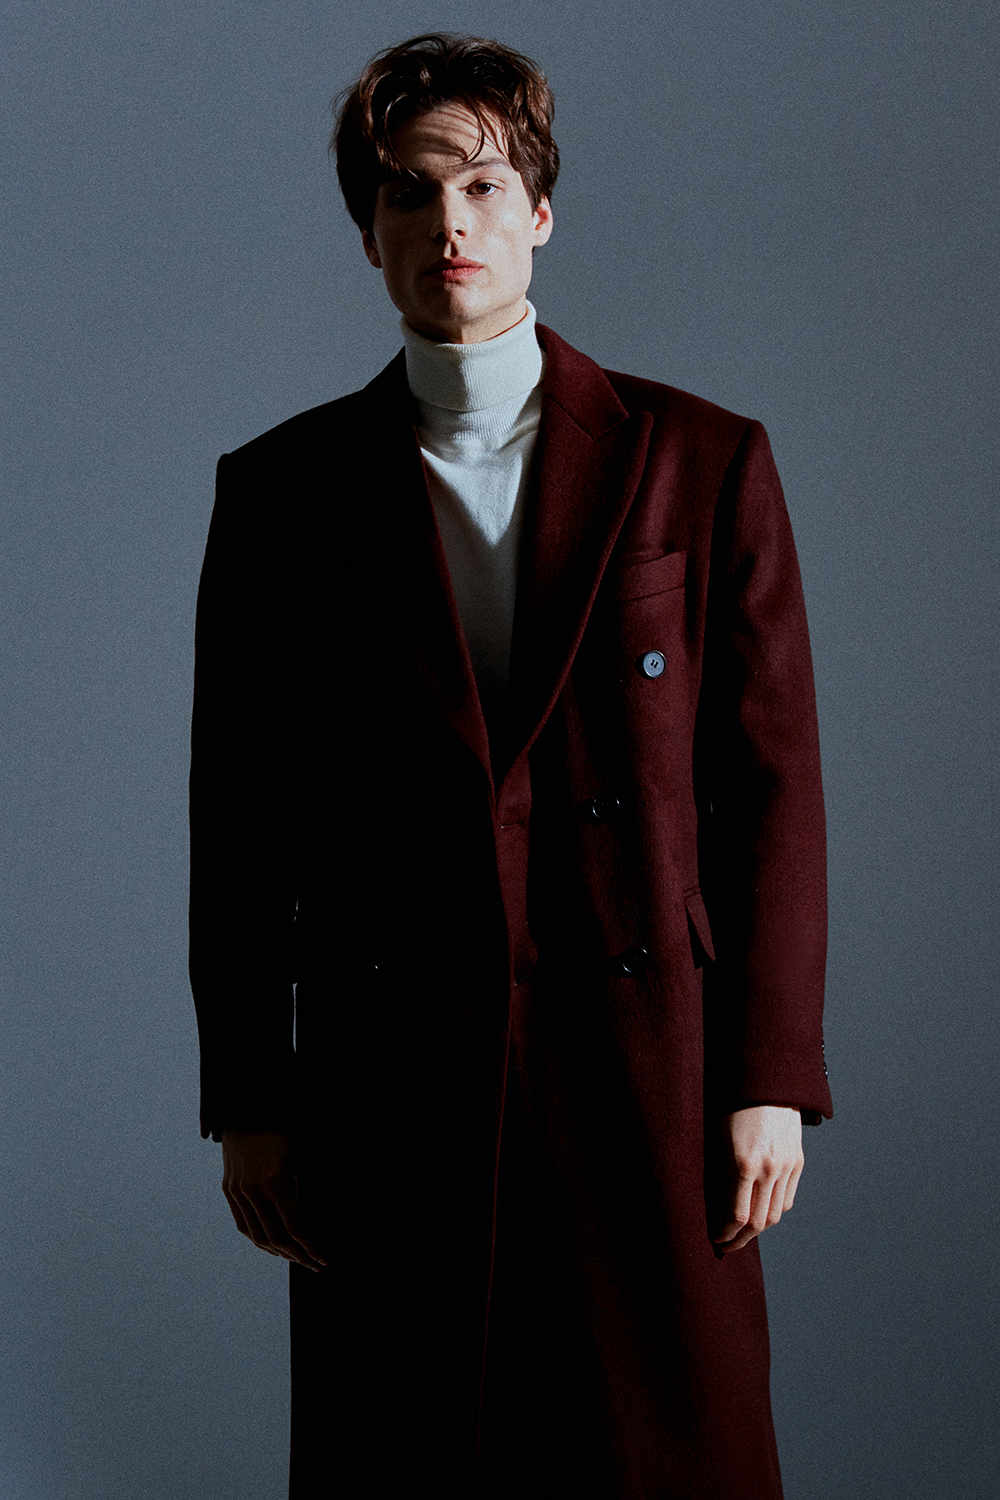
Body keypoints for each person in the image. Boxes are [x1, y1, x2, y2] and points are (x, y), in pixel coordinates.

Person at [189, 31, 832, 1500]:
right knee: (413, 1454)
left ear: (540, 210)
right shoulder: (283, 494)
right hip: (392, 1069)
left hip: (652, 1061)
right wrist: (251, 1096)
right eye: (408, 194)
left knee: (665, 1458)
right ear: (368, 234)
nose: (449, 224)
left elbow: (771, 789)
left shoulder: (701, 460)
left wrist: (769, 1075)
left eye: (481, 186)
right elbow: (241, 817)